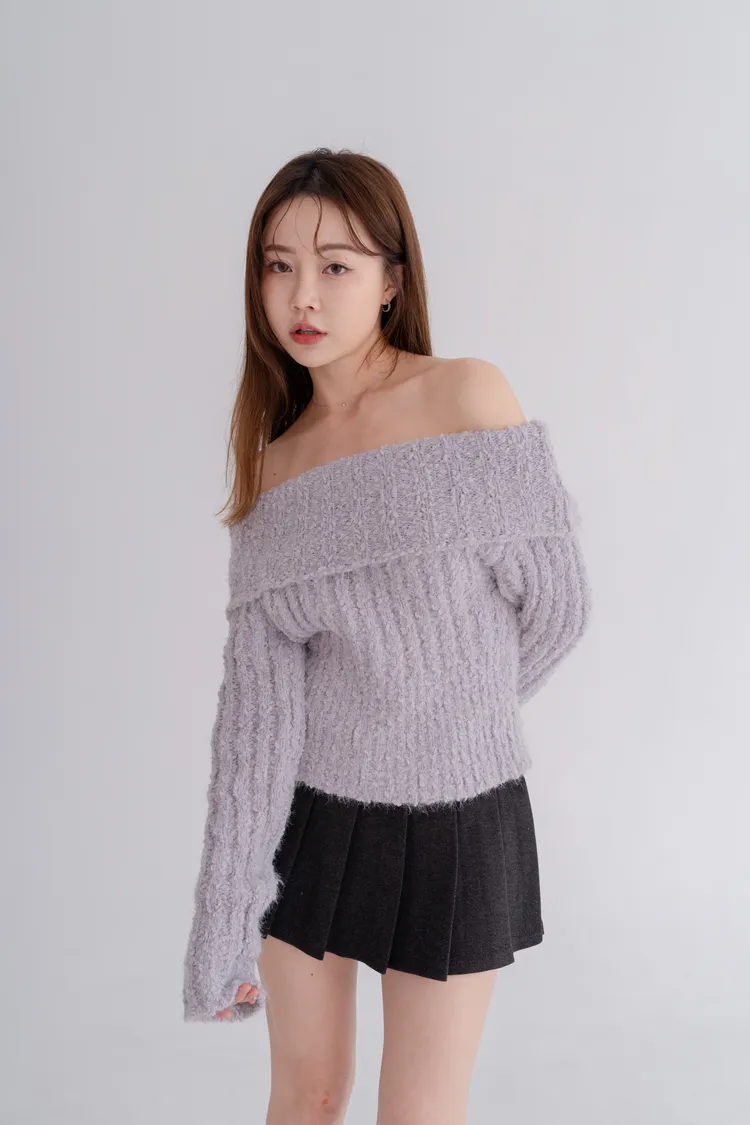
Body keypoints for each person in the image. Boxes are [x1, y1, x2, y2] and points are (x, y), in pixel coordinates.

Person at [182, 147, 592, 1125]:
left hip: (461, 818)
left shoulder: (466, 398)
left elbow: (558, 608)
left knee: (417, 1112)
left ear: (392, 279)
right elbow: (255, 728)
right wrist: (223, 919)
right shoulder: (274, 471)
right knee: (308, 1096)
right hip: (314, 820)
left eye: (336, 265)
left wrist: (444, 718)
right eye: (278, 265)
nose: (303, 295)